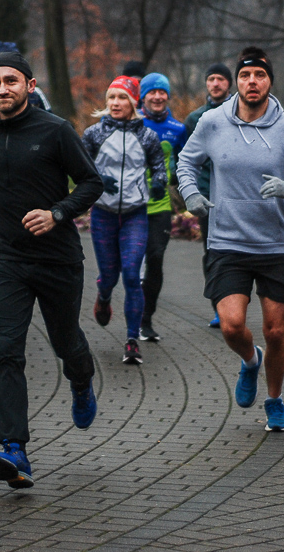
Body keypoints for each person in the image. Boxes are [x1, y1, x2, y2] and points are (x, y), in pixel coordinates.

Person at [0, 50, 104, 488]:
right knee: (7, 350)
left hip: (58, 259)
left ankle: (81, 382)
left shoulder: (55, 130)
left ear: (29, 85)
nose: (1, 89)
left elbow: (92, 182)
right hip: (6, 259)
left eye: (11, 80)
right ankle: (14, 449)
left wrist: (57, 213)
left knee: (67, 343)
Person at [177, 47, 284, 434]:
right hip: (227, 239)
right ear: (236, 82)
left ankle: (274, 400)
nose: (252, 82)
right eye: (245, 76)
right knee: (230, 326)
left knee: (275, 331)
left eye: (259, 75)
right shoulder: (212, 122)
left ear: (269, 82)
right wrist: (190, 192)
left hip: (274, 244)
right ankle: (249, 362)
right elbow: (186, 161)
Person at [81, 75, 166, 365]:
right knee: (109, 276)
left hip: (135, 214)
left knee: (132, 274)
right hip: (104, 215)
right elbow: (79, 166)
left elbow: (159, 165)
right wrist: (98, 181)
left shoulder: (148, 136)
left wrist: (159, 183)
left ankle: (132, 340)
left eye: (121, 98)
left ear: (133, 103)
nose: (115, 104)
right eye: (111, 98)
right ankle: (103, 296)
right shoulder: (94, 134)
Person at [138, 72, 187, 342]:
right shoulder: (130, 123)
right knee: (132, 264)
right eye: (151, 92)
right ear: (143, 97)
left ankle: (146, 319)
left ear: (168, 95)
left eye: (162, 92)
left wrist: (178, 177)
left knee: (155, 259)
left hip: (160, 205)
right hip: (130, 206)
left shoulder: (177, 129)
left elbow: (186, 161)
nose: (157, 97)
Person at [185, 62, 233, 328]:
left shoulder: (239, 114)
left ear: (229, 84)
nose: (215, 84)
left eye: (221, 79)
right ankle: (218, 305)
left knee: (235, 250)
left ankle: (236, 302)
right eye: (211, 79)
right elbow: (188, 158)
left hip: (235, 193)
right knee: (211, 250)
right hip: (206, 194)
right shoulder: (195, 119)